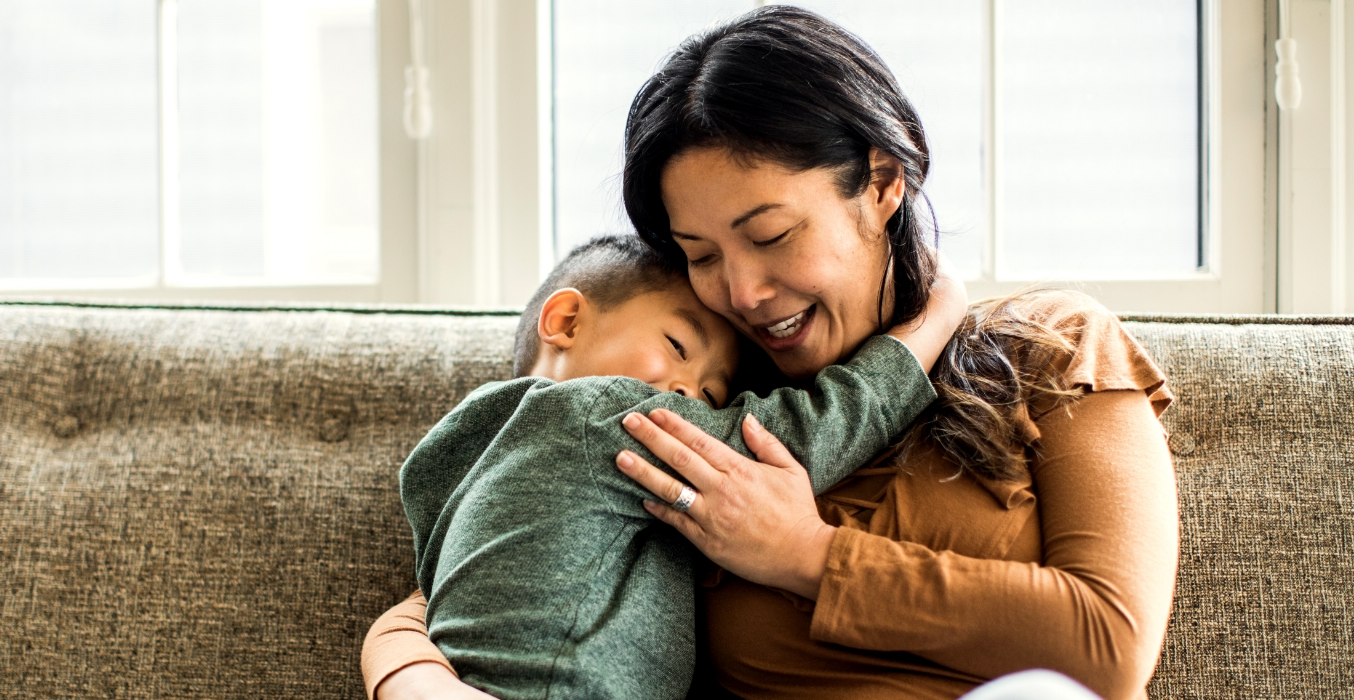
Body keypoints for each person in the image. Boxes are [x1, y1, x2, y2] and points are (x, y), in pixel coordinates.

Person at [365, 6, 1179, 700]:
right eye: (703, 254)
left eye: (770, 234)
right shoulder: (708, 401)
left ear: (883, 181)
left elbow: (1109, 647)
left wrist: (807, 556)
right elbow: (482, 566)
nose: (742, 293)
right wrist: (409, 677)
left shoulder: (1047, 344)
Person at [397, 233, 964, 700]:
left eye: (713, 396)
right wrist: (935, 319)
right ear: (567, 320)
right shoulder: (599, 414)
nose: (687, 395)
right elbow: (800, 435)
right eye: (677, 345)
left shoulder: (458, 451)